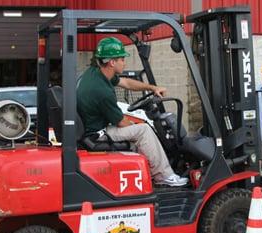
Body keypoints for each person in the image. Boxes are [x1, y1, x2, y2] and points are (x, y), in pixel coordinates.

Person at [77, 37, 188, 187]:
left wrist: (152, 88)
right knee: (143, 130)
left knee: (138, 129)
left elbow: (126, 82)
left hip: (93, 127)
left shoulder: (96, 73)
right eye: (122, 59)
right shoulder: (101, 91)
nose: (125, 62)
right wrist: (139, 123)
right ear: (112, 62)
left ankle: (149, 172)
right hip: (98, 134)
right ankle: (164, 176)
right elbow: (122, 122)